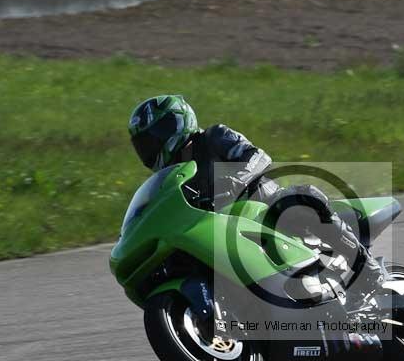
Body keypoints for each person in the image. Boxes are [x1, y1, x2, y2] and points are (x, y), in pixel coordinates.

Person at [127, 94, 383, 298]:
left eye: (158, 133)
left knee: (302, 198)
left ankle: (367, 268)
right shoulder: (172, 178)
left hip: (262, 206)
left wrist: (237, 179)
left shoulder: (213, 137)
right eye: (146, 142)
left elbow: (258, 157)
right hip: (224, 230)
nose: (153, 144)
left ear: (179, 123)